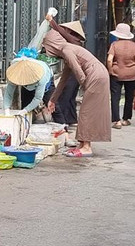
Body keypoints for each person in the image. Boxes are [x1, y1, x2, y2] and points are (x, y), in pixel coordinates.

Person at [36, 9, 111, 157]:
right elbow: (64, 78)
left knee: (86, 111)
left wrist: (85, 87)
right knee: (87, 111)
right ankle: (83, 143)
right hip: (98, 75)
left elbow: (78, 72)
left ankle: (86, 147)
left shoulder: (66, 49)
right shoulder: (67, 50)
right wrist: (52, 100)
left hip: (95, 76)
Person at [107, 23, 135, 128]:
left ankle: (116, 121)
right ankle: (126, 119)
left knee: (115, 97)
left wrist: (110, 70)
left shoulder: (114, 45)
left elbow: (109, 60)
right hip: (132, 75)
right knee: (129, 97)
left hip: (116, 73)